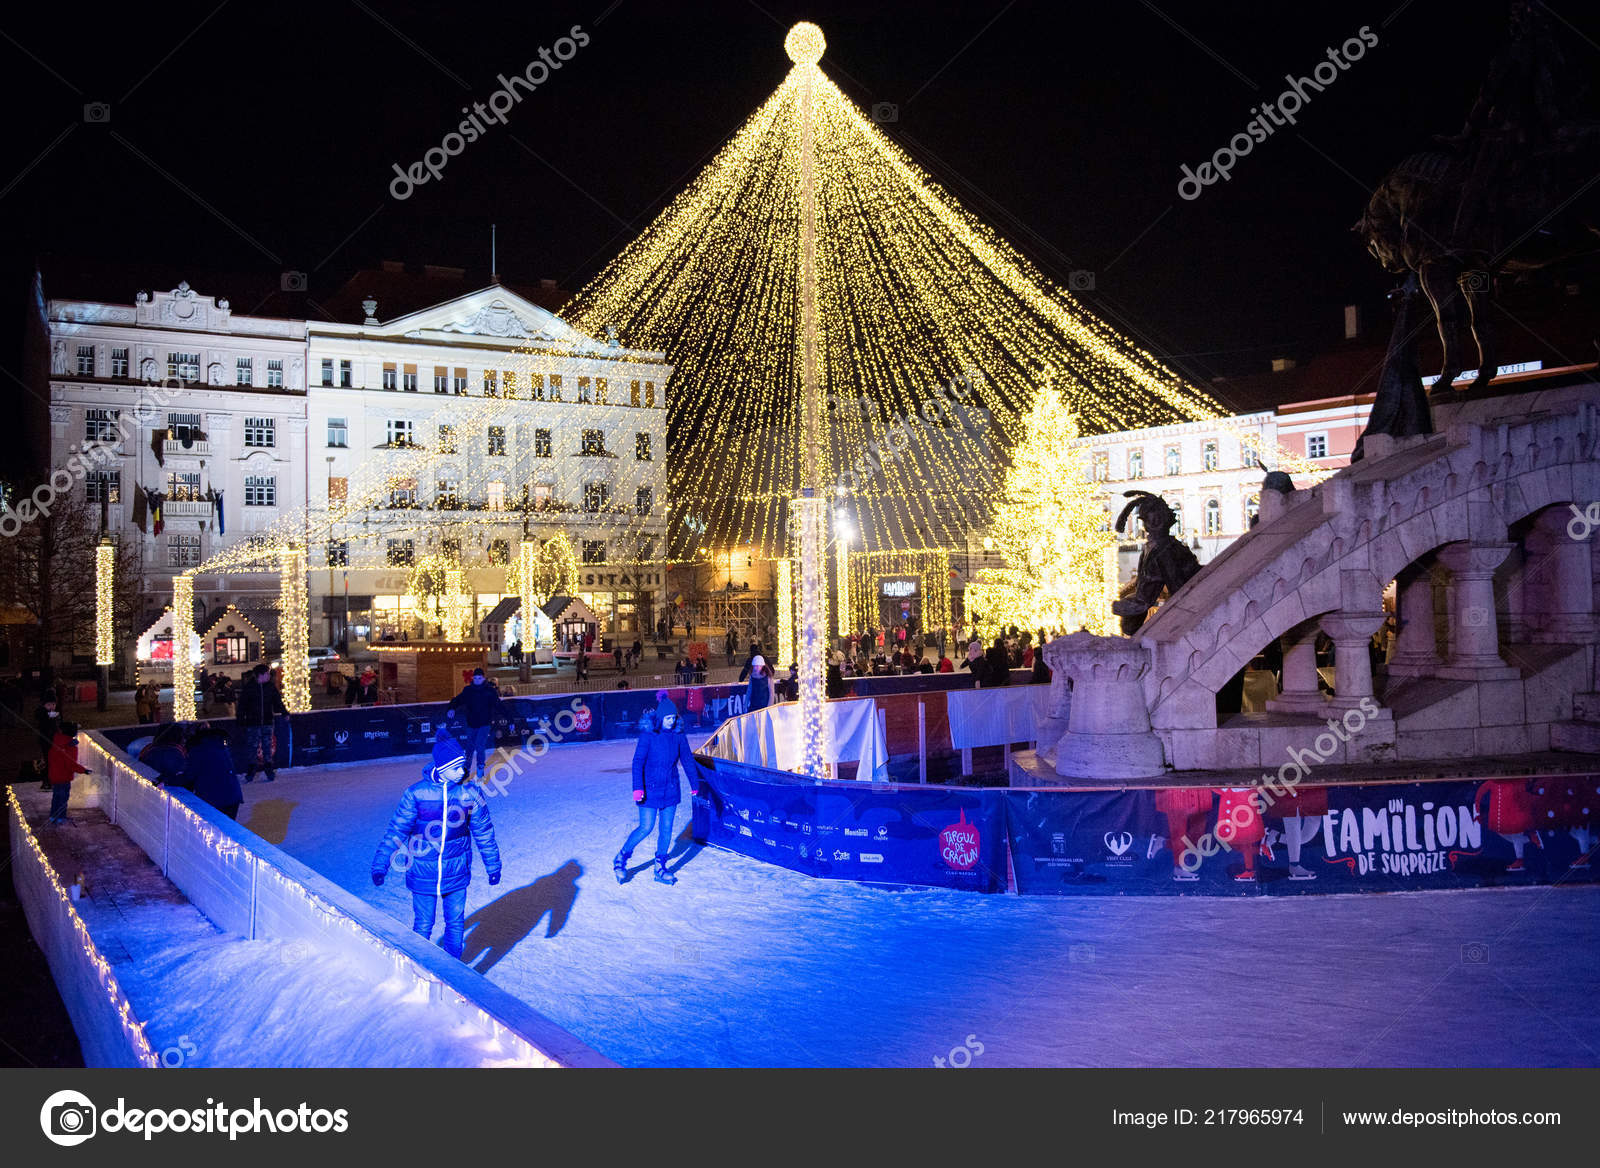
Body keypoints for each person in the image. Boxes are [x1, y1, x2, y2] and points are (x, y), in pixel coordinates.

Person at [371, 728, 502, 958]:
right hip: (423, 872)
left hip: (456, 871)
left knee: (455, 925)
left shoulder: (469, 793)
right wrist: (381, 865)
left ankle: (454, 975)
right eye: (455, 767)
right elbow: (396, 830)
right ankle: (417, 967)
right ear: (442, 769)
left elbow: (484, 832)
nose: (462, 771)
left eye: (462, 765)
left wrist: (493, 866)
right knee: (423, 925)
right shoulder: (416, 794)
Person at [615, 693, 703, 886]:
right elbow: (638, 762)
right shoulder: (648, 735)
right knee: (646, 827)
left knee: (666, 830)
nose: (671, 722)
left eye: (673, 718)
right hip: (649, 789)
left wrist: (695, 786)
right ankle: (622, 857)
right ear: (660, 718)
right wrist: (637, 788)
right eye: (667, 718)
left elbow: (687, 761)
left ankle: (660, 867)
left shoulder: (679, 736)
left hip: (671, 789)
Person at [445, 667, 509, 781]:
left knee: (480, 746)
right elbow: (457, 700)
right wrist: (451, 708)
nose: (477, 680)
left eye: (479, 678)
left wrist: (510, 719)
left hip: (485, 723)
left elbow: (498, 705)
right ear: (473, 679)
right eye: (475, 678)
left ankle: (480, 768)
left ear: (483, 678)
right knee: (469, 747)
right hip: (471, 723)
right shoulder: (468, 690)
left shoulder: (490, 691)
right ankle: (466, 769)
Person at [236, 663, 287, 783]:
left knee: (267, 746)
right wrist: (240, 719)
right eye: (267, 674)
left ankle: (268, 767)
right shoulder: (249, 688)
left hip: (268, 721)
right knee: (252, 747)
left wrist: (285, 712)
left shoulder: (270, 687)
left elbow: (277, 702)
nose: (269, 676)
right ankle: (251, 769)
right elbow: (242, 705)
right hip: (253, 723)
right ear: (261, 675)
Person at [184, 723, 244, 820]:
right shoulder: (219, 744)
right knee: (227, 828)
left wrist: (168, 780)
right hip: (232, 795)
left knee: (217, 830)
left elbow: (189, 776)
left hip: (214, 798)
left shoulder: (197, 750)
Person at [47, 720, 90, 825]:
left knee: (56, 796)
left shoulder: (56, 741)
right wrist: (84, 770)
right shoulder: (70, 747)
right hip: (64, 777)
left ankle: (53, 816)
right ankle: (61, 818)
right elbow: (71, 764)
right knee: (63, 798)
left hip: (54, 775)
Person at [139, 724, 190, 789]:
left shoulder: (149, 749)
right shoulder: (179, 752)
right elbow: (184, 776)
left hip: (148, 786)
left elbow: (142, 766)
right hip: (168, 788)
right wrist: (166, 782)